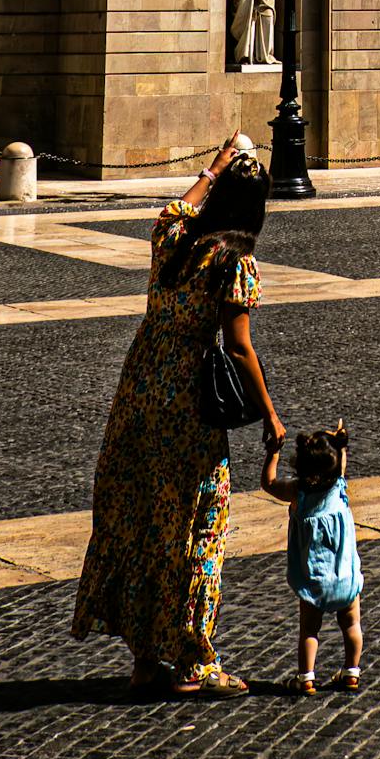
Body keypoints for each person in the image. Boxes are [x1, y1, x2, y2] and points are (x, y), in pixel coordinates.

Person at [71, 137, 283, 696]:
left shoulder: (175, 242)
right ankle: (193, 659)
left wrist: (212, 168)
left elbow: (175, 209)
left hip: (139, 392)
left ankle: (146, 657)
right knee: (199, 525)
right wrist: (270, 414)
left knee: (148, 521)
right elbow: (238, 347)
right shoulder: (236, 262)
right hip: (187, 405)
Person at [260, 418, 364, 694]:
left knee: (309, 631)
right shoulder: (338, 487)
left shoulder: (298, 492)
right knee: (351, 624)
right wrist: (341, 439)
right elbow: (340, 461)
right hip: (344, 577)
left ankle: (306, 676)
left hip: (314, 580)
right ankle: (351, 672)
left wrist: (273, 452)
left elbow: (268, 483)